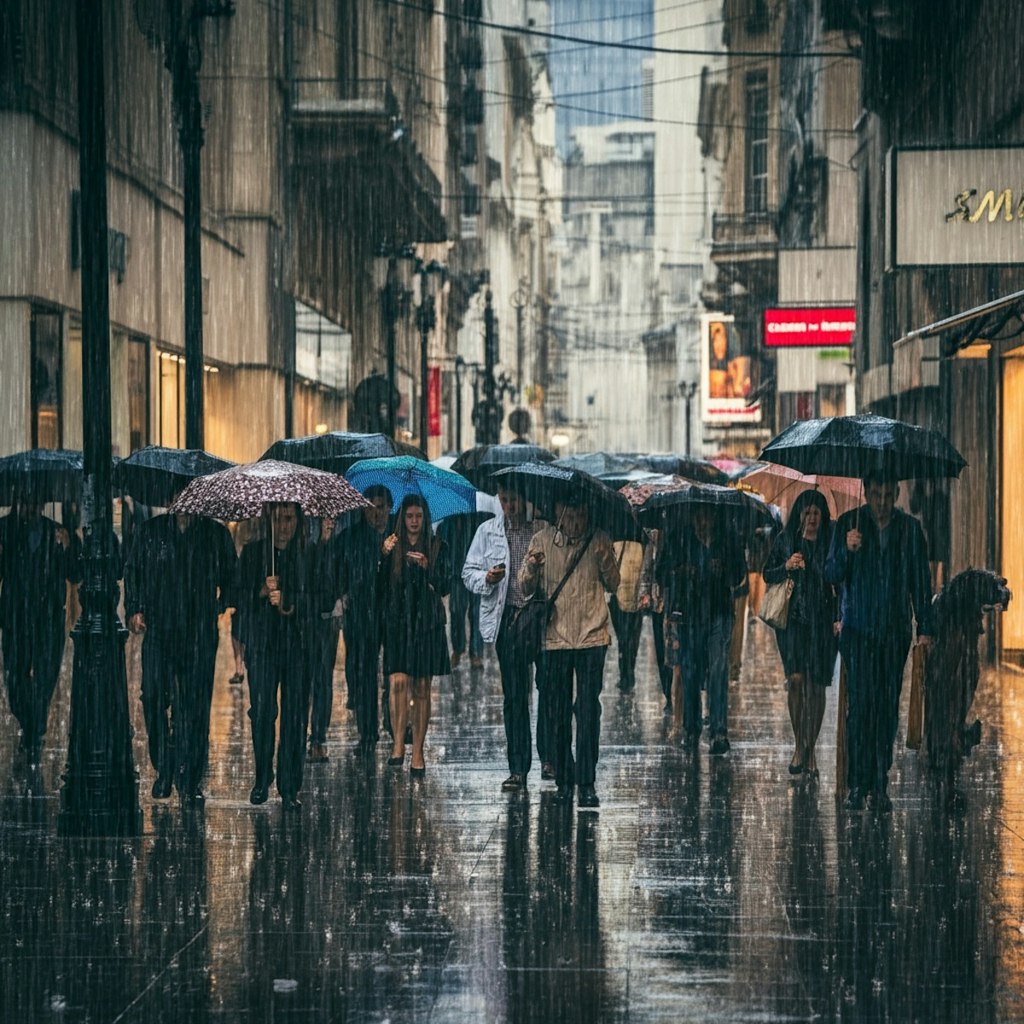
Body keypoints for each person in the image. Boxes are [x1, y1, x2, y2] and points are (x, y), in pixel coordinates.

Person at [826, 474, 934, 812]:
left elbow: (920, 580)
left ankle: (879, 781)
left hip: (893, 632)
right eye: (877, 494)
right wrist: (846, 549)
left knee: (886, 708)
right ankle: (857, 783)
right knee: (860, 707)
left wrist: (925, 626)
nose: (883, 501)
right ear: (868, 493)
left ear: (897, 493)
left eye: (889, 494)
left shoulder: (910, 530)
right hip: (857, 630)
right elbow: (830, 574)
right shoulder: (849, 524)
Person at [125, 508, 236, 802]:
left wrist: (217, 605)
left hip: (199, 633)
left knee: (194, 706)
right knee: (152, 696)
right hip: (160, 630)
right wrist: (135, 608)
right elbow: (133, 570)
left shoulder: (215, 534)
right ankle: (164, 766)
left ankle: (189, 780)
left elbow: (232, 579)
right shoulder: (151, 532)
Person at [519, 497, 620, 808]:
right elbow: (525, 587)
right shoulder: (542, 541)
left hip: (592, 636)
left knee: (588, 710)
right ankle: (565, 778)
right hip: (556, 639)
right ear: (559, 513)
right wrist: (533, 569)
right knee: (558, 711)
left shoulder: (600, 539)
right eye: (570, 514)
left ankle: (586, 781)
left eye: (581, 514)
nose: (576, 521)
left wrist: (605, 559)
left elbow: (614, 584)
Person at [235, 502, 325, 810]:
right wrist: (261, 591)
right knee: (262, 712)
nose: (285, 526)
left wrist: (288, 599)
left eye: (290, 519)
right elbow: (239, 598)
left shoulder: (310, 555)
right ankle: (263, 776)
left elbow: (320, 600)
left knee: (294, 716)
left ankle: (289, 785)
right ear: (269, 520)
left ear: (299, 520)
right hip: (263, 645)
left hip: (297, 646)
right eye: (279, 519)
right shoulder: (253, 554)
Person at [462, 483, 545, 792]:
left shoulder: (541, 528)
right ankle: (518, 766)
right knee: (514, 696)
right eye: (504, 499)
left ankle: (547, 753)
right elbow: (468, 572)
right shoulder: (488, 531)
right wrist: (487, 578)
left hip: (540, 617)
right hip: (507, 619)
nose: (509, 506)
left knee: (547, 688)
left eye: (514, 499)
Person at [658, 507, 747, 754]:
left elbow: (739, 573)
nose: (703, 519)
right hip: (689, 612)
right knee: (690, 670)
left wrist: (725, 571)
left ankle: (719, 731)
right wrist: (682, 571)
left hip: (719, 610)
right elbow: (662, 573)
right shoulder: (679, 537)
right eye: (698, 514)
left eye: (707, 514)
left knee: (718, 669)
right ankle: (692, 727)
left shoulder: (728, 537)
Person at [761, 490, 838, 778]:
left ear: (823, 516)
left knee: (817, 685)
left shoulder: (831, 542)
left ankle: (812, 748)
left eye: (816, 513)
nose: (811, 518)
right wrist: (787, 566)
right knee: (796, 680)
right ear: (799, 514)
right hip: (793, 624)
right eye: (807, 512)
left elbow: (841, 577)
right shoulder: (787, 540)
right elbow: (767, 573)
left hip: (822, 625)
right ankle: (799, 745)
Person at [0, 500, 81, 761]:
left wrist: (69, 546)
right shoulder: (5, 530)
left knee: (46, 676)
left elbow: (75, 574)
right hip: (16, 618)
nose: (31, 507)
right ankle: (29, 720)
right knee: (15, 678)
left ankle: (34, 728)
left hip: (48, 618)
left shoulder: (56, 532)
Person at [379, 494, 451, 776]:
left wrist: (427, 568)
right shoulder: (391, 545)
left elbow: (445, 584)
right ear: (402, 518)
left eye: (418, 517)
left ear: (425, 518)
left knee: (421, 686)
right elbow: (379, 584)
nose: (413, 522)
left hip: (426, 624)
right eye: (409, 517)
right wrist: (383, 555)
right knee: (397, 682)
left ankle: (418, 750)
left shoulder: (436, 546)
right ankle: (398, 743)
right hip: (398, 622)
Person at [335, 485, 392, 753]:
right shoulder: (351, 538)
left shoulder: (399, 535)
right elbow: (341, 572)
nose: (376, 514)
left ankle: (392, 722)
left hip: (392, 612)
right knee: (364, 672)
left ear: (389, 508)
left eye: (381, 507)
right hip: (360, 613)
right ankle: (368, 733)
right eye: (371, 508)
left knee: (394, 673)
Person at [306, 516, 344, 763]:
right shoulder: (307, 546)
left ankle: (318, 737)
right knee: (304, 679)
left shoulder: (338, 548)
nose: (329, 524)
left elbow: (340, 576)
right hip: (304, 616)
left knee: (323, 679)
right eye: (325, 520)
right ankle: (300, 733)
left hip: (329, 617)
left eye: (333, 520)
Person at [439, 513, 484, 669]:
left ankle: (476, 652)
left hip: (477, 572)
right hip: (457, 574)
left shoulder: (478, 520)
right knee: (456, 610)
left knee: (476, 613)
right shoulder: (448, 523)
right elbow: (442, 546)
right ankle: (458, 649)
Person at [608, 538, 645, 693]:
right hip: (636, 600)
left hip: (619, 598)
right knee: (632, 639)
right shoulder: (642, 546)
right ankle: (629, 672)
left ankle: (625, 673)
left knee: (623, 639)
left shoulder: (615, 545)